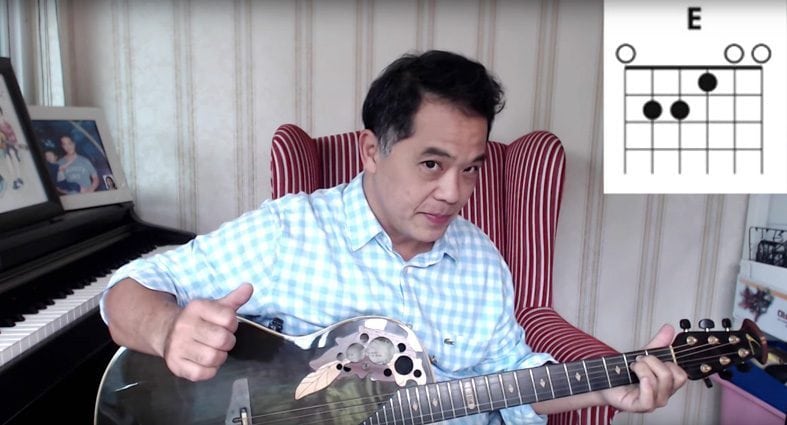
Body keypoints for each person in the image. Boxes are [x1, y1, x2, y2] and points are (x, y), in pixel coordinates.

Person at [101, 50, 686, 424]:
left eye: (472, 168)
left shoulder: (483, 261)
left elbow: (514, 377)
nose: (454, 192)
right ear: (372, 151)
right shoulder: (290, 231)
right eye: (432, 164)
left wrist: (608, 387)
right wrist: (169, 330)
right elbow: (125, 293)